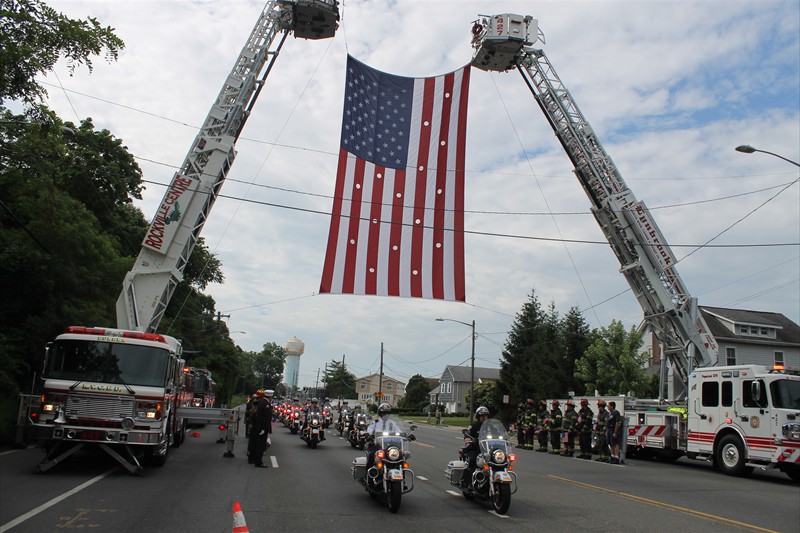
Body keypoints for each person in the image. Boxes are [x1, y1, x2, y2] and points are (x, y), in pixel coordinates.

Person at [365, 403, 404, 476]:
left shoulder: (392, 423)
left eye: (387, 413)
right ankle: (368, 476)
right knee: (371, 455)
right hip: (378, 446)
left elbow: (399, 431)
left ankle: (402, 479)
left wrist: (406, 435)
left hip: (390, 446)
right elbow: (370, 429)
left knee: (402, 458)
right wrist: (368, 434)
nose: (386, 414)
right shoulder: (375, 423)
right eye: (384, 413)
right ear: (380, 413)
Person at [249, 389, 273, 468]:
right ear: (270, 396)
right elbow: (264, 418)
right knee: (261, 445)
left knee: (256, 444)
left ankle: (254, 459)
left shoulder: (261, 402)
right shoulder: (265, 404)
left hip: (258, 427)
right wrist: (263, 428)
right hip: (262, 428)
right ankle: (259, 462)